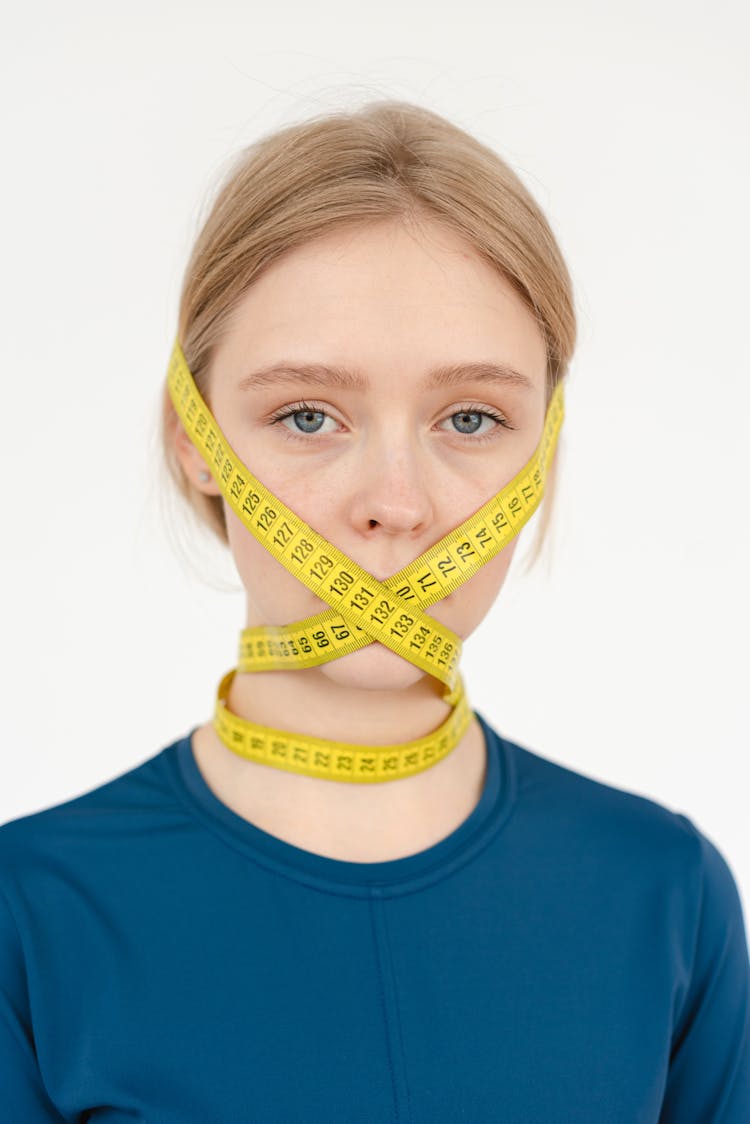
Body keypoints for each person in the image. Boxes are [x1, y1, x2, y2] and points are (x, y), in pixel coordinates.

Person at [1, 100, 748, 1122]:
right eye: (307, 415)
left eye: (472, 417)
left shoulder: (666, 896)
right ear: (194, 436)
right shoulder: (27, 915)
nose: (395, 503)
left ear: (546, 445)